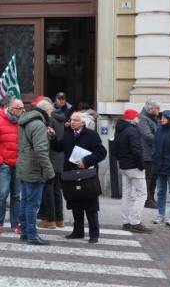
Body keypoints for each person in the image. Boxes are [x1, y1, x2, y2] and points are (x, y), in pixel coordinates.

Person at [54, 112, 107, 244]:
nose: (72, 122)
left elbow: (101, 152)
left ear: (83, 122)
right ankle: (78, 231)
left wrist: (86, 161)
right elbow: (58, 147)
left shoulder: (92, 135)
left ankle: (94, 234)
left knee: (91, 206)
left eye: (76, 120)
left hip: (87, 175)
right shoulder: (68, 134)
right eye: (71, 119)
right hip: (71, 174)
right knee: (75, 203)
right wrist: (52, 138)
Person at [16, 99, 56, 245]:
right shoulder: (39, 124)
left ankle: (25, 232)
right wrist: (50, 172)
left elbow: (30, 144)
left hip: (24, 166)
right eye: (51, 112)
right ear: (46, 111)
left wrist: (48, 136)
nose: (51, 115)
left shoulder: (25, 121)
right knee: (33, 204)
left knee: (25, 202)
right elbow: (40, 150)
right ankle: (32, 235)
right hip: (34, 169)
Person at [0, 98, 23, 235]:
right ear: (12, 109)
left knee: (16, 196)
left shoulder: (23, 122)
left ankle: (16, 224)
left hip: (19, 165)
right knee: (2, 194)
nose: (23, 111)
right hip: (5, 165)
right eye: (20, 108)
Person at [114, 109, 152, 233]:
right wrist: (141, 165)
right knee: (142, 194)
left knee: (127, 195)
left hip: (124, 166)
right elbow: (136, 150)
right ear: (132, 118)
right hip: (134, 167)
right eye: (137, 117)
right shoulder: (133, 131)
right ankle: (135, 221)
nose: (138, 119)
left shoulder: (119, 130)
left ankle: (126, 222)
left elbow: (115, 149)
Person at [40, 97, 66, 229]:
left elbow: (47, 140)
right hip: (59, 158)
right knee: (56, 189)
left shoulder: (49, 120)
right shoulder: (60, 118)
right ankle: (59, 219)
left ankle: (50, 219)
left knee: (48, 189)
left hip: (51, 158)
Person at [138, 99, 161, 208]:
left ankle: (151, 198)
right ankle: (147, 200)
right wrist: (162, 139)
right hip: (147, 154)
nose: (159, 110)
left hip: (154, 153)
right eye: (157, 108)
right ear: (151, 109)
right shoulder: (143, 119)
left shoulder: (155, 118)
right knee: (148, 178)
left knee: (153, 178)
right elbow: (147, 135)